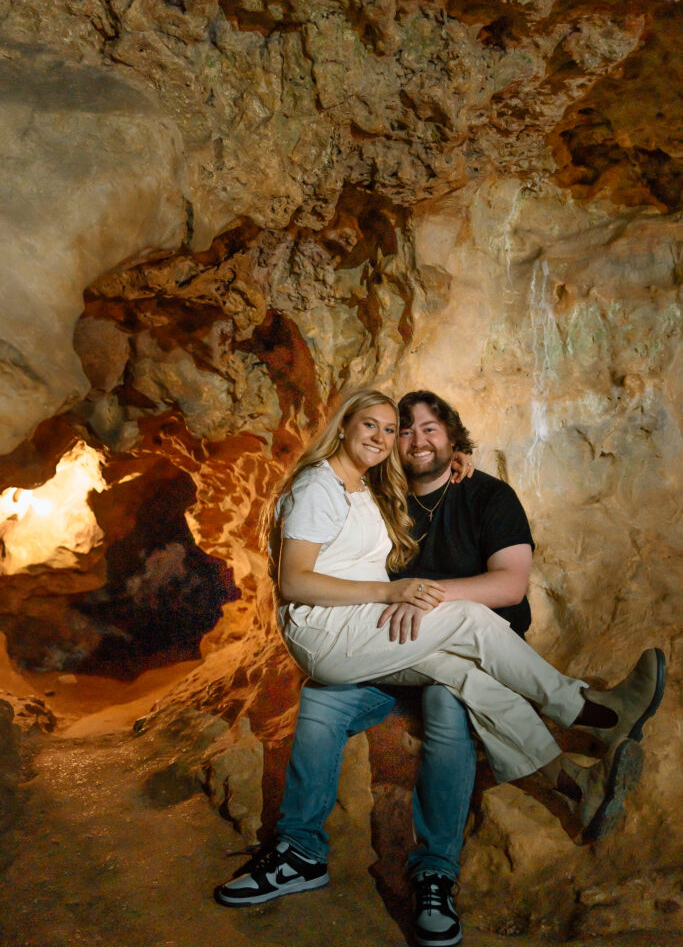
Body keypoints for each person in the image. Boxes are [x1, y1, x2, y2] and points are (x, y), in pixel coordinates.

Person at [214, 389, 665, 947]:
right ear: (355, 429)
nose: (404, 439)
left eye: (423, 429)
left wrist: (421, 596)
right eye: (395, 430)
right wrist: (397, 592)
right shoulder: (352, 490)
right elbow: (299, 578)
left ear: (454, 440)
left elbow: (510, 584)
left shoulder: (469, 494)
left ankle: (534, 812)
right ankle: (590, 711)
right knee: (338, 691)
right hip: (364, 636)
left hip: (413, 637)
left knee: (458, 684)